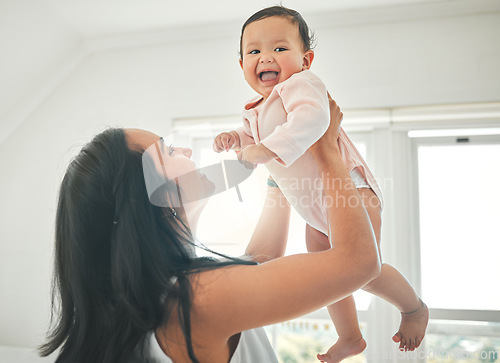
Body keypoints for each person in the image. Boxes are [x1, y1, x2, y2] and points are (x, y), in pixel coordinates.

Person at [39, 99, 381, 363]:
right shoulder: (195, 299)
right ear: (154, 196)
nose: (186, 151)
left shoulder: (168, 293)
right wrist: (326, 150)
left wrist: (280, 172)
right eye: (169, 151)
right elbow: (359, 262)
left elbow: (258, 262)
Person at [213, 6, 428, 362]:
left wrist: (265, 149)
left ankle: (412, 308)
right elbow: (251, 134)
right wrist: (234, 139)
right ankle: (350, 337)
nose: (266, 56)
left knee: (364, 269)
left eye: (280, 48)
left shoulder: (302, 85)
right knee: (329, 272)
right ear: (241, 65)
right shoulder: (254, 108)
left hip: (350, 189)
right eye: (254, 51)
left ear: (306, 59)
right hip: (312, 205)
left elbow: (313, 121)